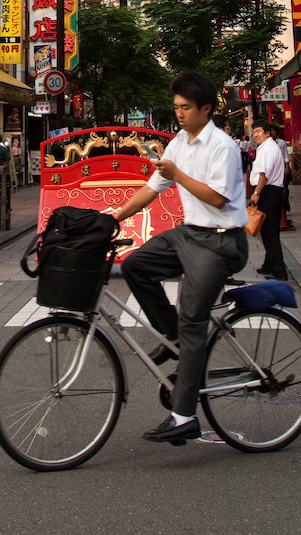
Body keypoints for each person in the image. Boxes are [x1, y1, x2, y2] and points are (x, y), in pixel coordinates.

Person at [115, 71, 248, 447]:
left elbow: (218, 199)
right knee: (134, 265)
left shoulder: (222, 146)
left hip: (221, 242)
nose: (180, 114)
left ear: (206, 109)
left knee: (194, 322)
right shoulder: (178, 142)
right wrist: (112, 217)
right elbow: (152, 188)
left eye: (186, 108)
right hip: (189, 234)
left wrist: (178, 174)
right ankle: (170, 331)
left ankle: (184, 416)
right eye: (176, 108)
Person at [249, 120, 288, 281]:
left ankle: (279, 271)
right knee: (267, 231)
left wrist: (257, 192)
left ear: (267, 132)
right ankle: (269, 264)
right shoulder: (267, 148)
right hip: (271, 191)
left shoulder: (268, 149)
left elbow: (264, 174)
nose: (255, 134)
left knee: (270, 233)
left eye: (258, 131)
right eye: (254, 132)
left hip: (268, 191)